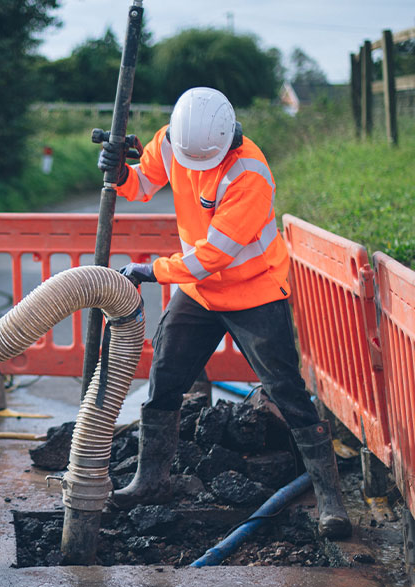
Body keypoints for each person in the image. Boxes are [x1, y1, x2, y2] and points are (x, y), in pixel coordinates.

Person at [98, 86, 351, 539]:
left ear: (229, 139)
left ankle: (331, 499)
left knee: (286, 390)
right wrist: (119, 172)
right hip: (199, 293)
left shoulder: (249, 174)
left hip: (253, 290)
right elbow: (140, 186)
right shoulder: (177, 140)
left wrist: (150, 269)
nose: (197, 169)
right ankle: (151, 480)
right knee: (165, 377)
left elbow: (212, 256)